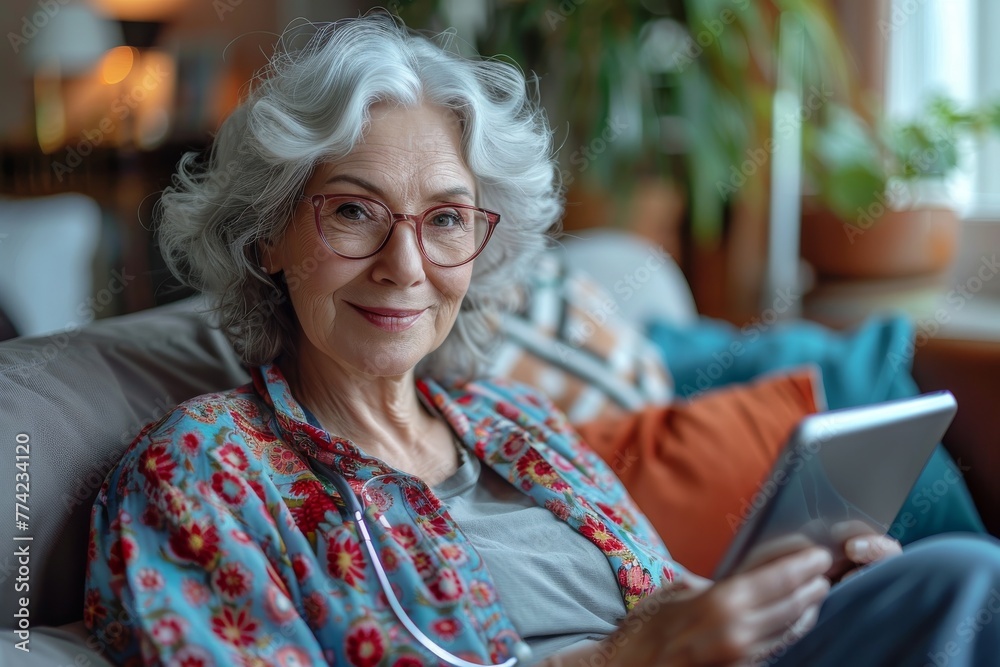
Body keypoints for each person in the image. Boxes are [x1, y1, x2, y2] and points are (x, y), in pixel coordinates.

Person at [85, 13, 1000, 667]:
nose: (405, 265)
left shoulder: (521, 425)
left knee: (945, 582)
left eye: (447, 219)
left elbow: (672, 606)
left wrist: (795, 599)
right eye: (353, 211)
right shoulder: (202, 471)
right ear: (267, 239)